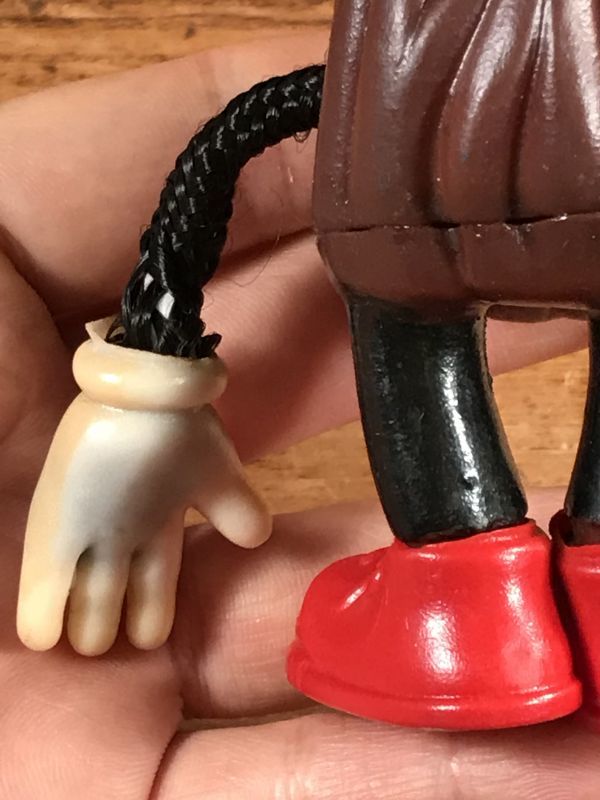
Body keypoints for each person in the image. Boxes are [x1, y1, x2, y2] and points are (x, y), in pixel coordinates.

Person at [0, 33, 594, 799]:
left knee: (408, 298)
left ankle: (459, 598)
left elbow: (236, 141)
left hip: (423, 137)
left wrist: (139, 392)